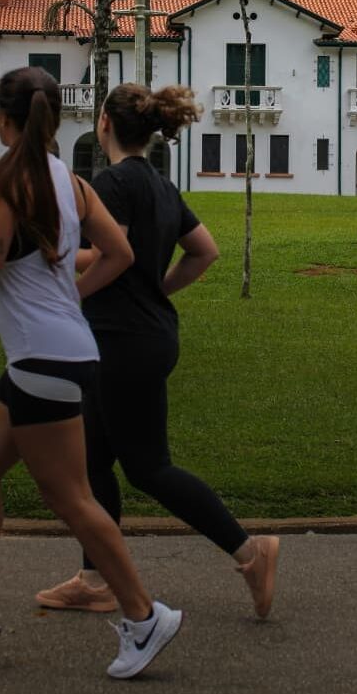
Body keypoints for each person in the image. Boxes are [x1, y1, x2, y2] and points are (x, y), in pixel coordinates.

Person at [0, 67, 182, 680]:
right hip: (56, 354)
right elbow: (120, 254)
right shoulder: (69, 181)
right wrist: (69, 297)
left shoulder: (9, 178)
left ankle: (144, 616)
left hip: (43, 359)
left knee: (72, 498)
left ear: (2, 118)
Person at [35, 83, 279, 620]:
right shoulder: (162, 186)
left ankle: (250, 552)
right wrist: (157, 289)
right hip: (138, 335)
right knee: (93, 459)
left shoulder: (112, 182)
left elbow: (111, 252)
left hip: (123, 340)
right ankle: (96, 579)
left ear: (104, 123)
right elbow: (204, 251)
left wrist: (56, 261)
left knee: (148, 468)